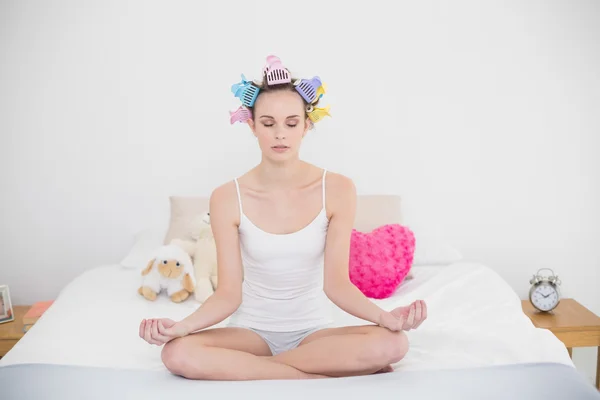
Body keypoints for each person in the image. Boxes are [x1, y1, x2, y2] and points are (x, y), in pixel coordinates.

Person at [139, 56, 427, 380]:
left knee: (393, 345)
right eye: (268, 123)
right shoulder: (226, 197)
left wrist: (385, 317)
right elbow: (228, 294)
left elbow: (337, 286)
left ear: (306, 125)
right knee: (176, 352)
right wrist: (182, 327)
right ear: (252, 126)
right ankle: (312, 376)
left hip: (314, 333)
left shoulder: (338, 189)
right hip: (251, 334)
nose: (280, 134)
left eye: (291, 123)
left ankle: (266, 370)